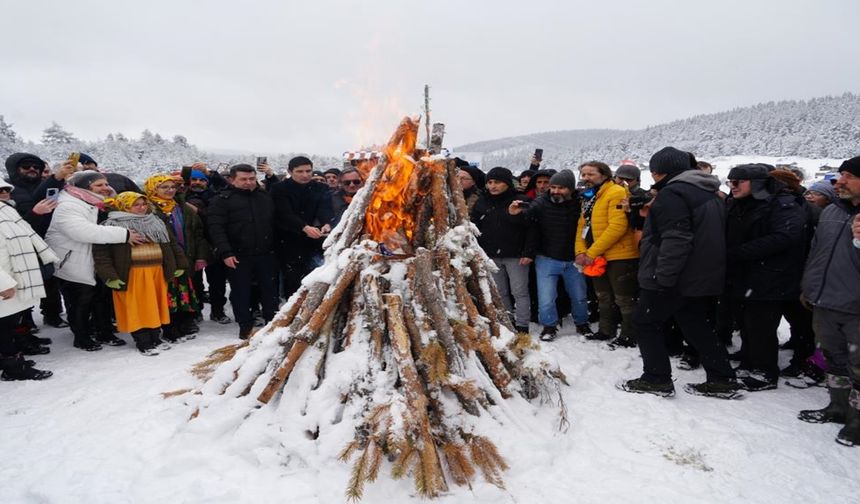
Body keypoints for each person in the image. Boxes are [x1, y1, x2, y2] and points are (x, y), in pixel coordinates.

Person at [619, 147, 738, 399]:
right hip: (700, 273)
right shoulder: (708, 192)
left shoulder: (674, 194)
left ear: (659, 172)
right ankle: (722, 378)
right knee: (695, 324)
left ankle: (656, 378)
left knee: (646, 322)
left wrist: (664, 277)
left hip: (676, 275)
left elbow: (677, 238)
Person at [724, 164, 805, 391]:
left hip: (771, 276)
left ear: (756, 183)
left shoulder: (782, 203)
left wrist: (738, 252)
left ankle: (765, 372)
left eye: (738, 181)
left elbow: (785, 236)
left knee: (762, 325)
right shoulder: (736, 203)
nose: (733, 186)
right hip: (743, 274)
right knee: (746, 323)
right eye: (730, 182)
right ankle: (749, 361)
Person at [798, 156, 860, 446]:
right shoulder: (831, 212)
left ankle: (858, 420)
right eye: (840, 175)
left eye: (848, 176)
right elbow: (816, 251)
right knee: (833, 359)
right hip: (824, 300)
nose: (839, 181)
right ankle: (837, 406)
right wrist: (809, 287)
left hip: (855, 306)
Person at [45, 171, 145, 350]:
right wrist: (125, 234)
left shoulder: (96, 203)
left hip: (95, 260)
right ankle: (82, 337)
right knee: (80, 302)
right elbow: (83, 231)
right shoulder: (68, 205)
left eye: (106, 184)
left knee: (102, 298)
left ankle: (103, 331)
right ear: (84, 187)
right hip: (73, 261)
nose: (106, 188)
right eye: (99, 185)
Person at [94, 192, 188, 355]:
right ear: (124, 206)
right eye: (136, 205)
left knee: (155, 306)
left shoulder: (156, 221)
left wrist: (180, 263)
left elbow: (171, 243)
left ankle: (155, 337)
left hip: (156, 273)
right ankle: (143, 341)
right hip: (131, 275)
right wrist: (110, 276)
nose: (142, 208)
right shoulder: (111, 225)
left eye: (144, 204)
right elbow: (101, 253)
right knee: (136, 308)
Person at [508, 169, 592, 341]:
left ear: (570, 188)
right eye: (553, 187)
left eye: (561, 188)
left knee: (579, 296)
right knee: (546, 297)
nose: (555, 191)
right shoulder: (541, 202)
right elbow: (527, 219)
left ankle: (582, 323)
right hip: (547, 258)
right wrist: (515, 215)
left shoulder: (581, 202)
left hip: (574, 258)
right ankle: (549, 326)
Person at [208, 164, 278, 339]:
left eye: (251, 179)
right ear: (232, 180)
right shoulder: (222, 200)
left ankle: (272, 323)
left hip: (265, 253)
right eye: (243, 179)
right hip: (238, 255)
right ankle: (245, 327)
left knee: (269, 290)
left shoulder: (264, 197)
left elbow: (274, 223)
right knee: (241, 292)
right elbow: (216, 229)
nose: (248, 182)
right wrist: (225, 252)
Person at [574, 161, 639, 346]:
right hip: (596, 255)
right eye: (583, 174)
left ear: (604, 175)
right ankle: (605, 330)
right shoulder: (588, 197)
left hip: (620, 255)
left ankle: (629, 335)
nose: (586, 178)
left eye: (590, 174)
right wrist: (580, 251)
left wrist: (591, 252)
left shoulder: (616, 192)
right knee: (603, 296)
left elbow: (617, 227)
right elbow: (582, 225)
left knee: (624, 298)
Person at [0, 179, 57, 380]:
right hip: (5, 282)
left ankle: (12, 360)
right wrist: (3, 284)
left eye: (6, 189)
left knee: (9, 324)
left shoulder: (7, 211)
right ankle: (13, 367)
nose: (4, 193)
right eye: (0, 190)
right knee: (4, 327)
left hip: (14, 277)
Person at [471, 167, 535, 334]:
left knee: (519, 291)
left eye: (497, 182)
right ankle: (508, 321)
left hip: (516, 255)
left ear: (507, 183)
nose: (493, 186)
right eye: (490, 182)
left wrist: (528, 252)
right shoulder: (482, 201)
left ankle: (522, 324)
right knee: (500, 292)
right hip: (491, 255)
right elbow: (475, 227)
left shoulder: (520, 200)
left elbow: (532, 228)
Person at [144, 174, 208, 340]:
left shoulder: (182, 207)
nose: (170, 190)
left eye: (172, 187)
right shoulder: (147, 209)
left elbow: (198, 233)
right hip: (162, 260)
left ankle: (186, 322)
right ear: (153, 188)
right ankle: (169, 326)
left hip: (187, 256)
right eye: (164, 187)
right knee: (167, 293)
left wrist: (201, 256)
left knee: (185, 291)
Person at [270, 156, 333, 300]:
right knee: (292, 279)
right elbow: (284, 213)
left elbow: (325, 208)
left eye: (308, 171)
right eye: (300, 171)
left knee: (315, 275)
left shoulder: (320, 187)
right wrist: (303, 227)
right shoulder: (279, 188)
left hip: (315, 239)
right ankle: (291, 307)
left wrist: (326, 223)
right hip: (288, 240)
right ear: (290, 172)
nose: (305, 175)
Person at [182, 166, 232, 324]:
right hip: (191, 245)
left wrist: (198, 212)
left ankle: (217, 311)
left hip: (213, 243)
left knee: (217, 281)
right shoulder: (181, 196)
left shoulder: (215, 196)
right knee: (194, 281)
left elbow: (228, 187)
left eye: (202, 180)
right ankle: (196, 311)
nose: (198, 183)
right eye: (194, 179)